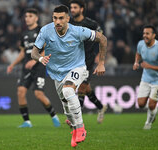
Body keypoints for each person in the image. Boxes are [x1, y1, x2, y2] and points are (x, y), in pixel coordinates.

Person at [31, 5, 107, 147]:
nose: (57, 21)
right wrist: (40, 59)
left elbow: (102, 39)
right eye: (55, 18)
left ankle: (80, 128)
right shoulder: (46, 31)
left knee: (68, 90)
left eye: (61, 18)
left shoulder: (78, 31)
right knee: (66, 106)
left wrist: (101, 62)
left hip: (77, 67)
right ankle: (73, 128)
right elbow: (34, 52)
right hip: (56, 73)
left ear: (67, 18)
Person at [6, 8, 60, 128]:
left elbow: (47, 49)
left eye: (30, 16)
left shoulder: (42, 31)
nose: (27, 18)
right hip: (26, 67)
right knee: (20, 92)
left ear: (36, 18)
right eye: (26, 16)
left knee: (38, 94)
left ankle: (54, 116)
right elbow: (22, 52)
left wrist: (34, 60)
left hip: (39, 66)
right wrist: (12, 64)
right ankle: (27, 122)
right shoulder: (23, 34)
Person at [69, 0, 107, 124]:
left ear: (82, 9)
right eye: (71, 7)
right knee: (86, 89)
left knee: (81, 88)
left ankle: (75, 118)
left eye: (75, 7)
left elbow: (102, 39)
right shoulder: (68, 23)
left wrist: (100, 59)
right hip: (73, 60)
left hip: (87, 61)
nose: (72, 10)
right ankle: (101, 107)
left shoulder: (91, 24)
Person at [133, 25, 158, 130]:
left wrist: (148, 66)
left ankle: (148, 123)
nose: (145, 35)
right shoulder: (141, 44)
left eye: (147, 33)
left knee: (151, 105)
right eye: (144, 33)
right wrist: (136, 62)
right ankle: (155, 110)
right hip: (146, 78)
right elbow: (138, 53)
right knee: (141, 104)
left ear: (153, 35)